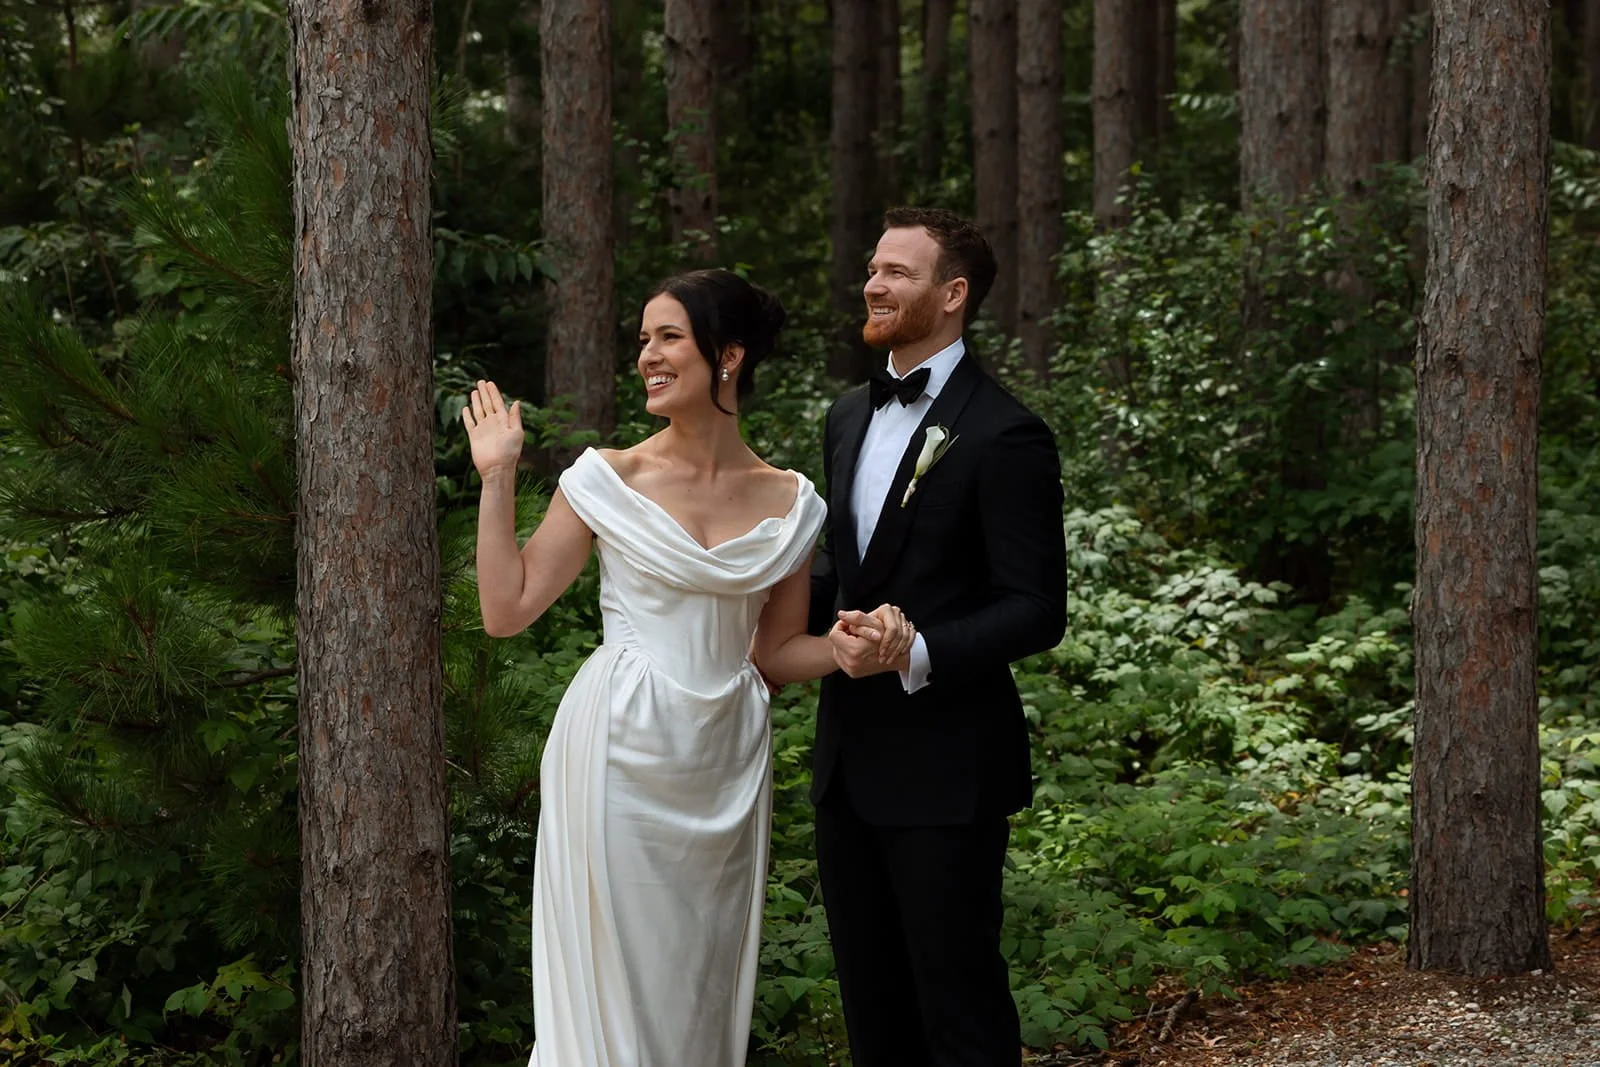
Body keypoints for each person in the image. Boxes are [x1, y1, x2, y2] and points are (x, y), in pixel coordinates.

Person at [462, 268, 912, 1067]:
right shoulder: (607, 476)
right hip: (617, 750)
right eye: (643, 339)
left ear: (727, 354)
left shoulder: (793, 501)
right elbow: (508, 608)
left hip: (726, 761)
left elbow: (775, 652)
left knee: (698, 987)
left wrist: (846, 654)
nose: (647, 355)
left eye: (668, 336)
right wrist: (499, 475)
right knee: (614, 992)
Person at [808, 207, 1069, 1066]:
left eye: (899, 273)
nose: (874, 284)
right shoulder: (847, 414)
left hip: (950, 766)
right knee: (872, 1010)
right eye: (874, 268)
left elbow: (1037, 607)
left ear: (953, 295)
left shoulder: (1007, 432)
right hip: (849, 760)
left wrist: (913, 648)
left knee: (957, 1007)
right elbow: (838, 574)